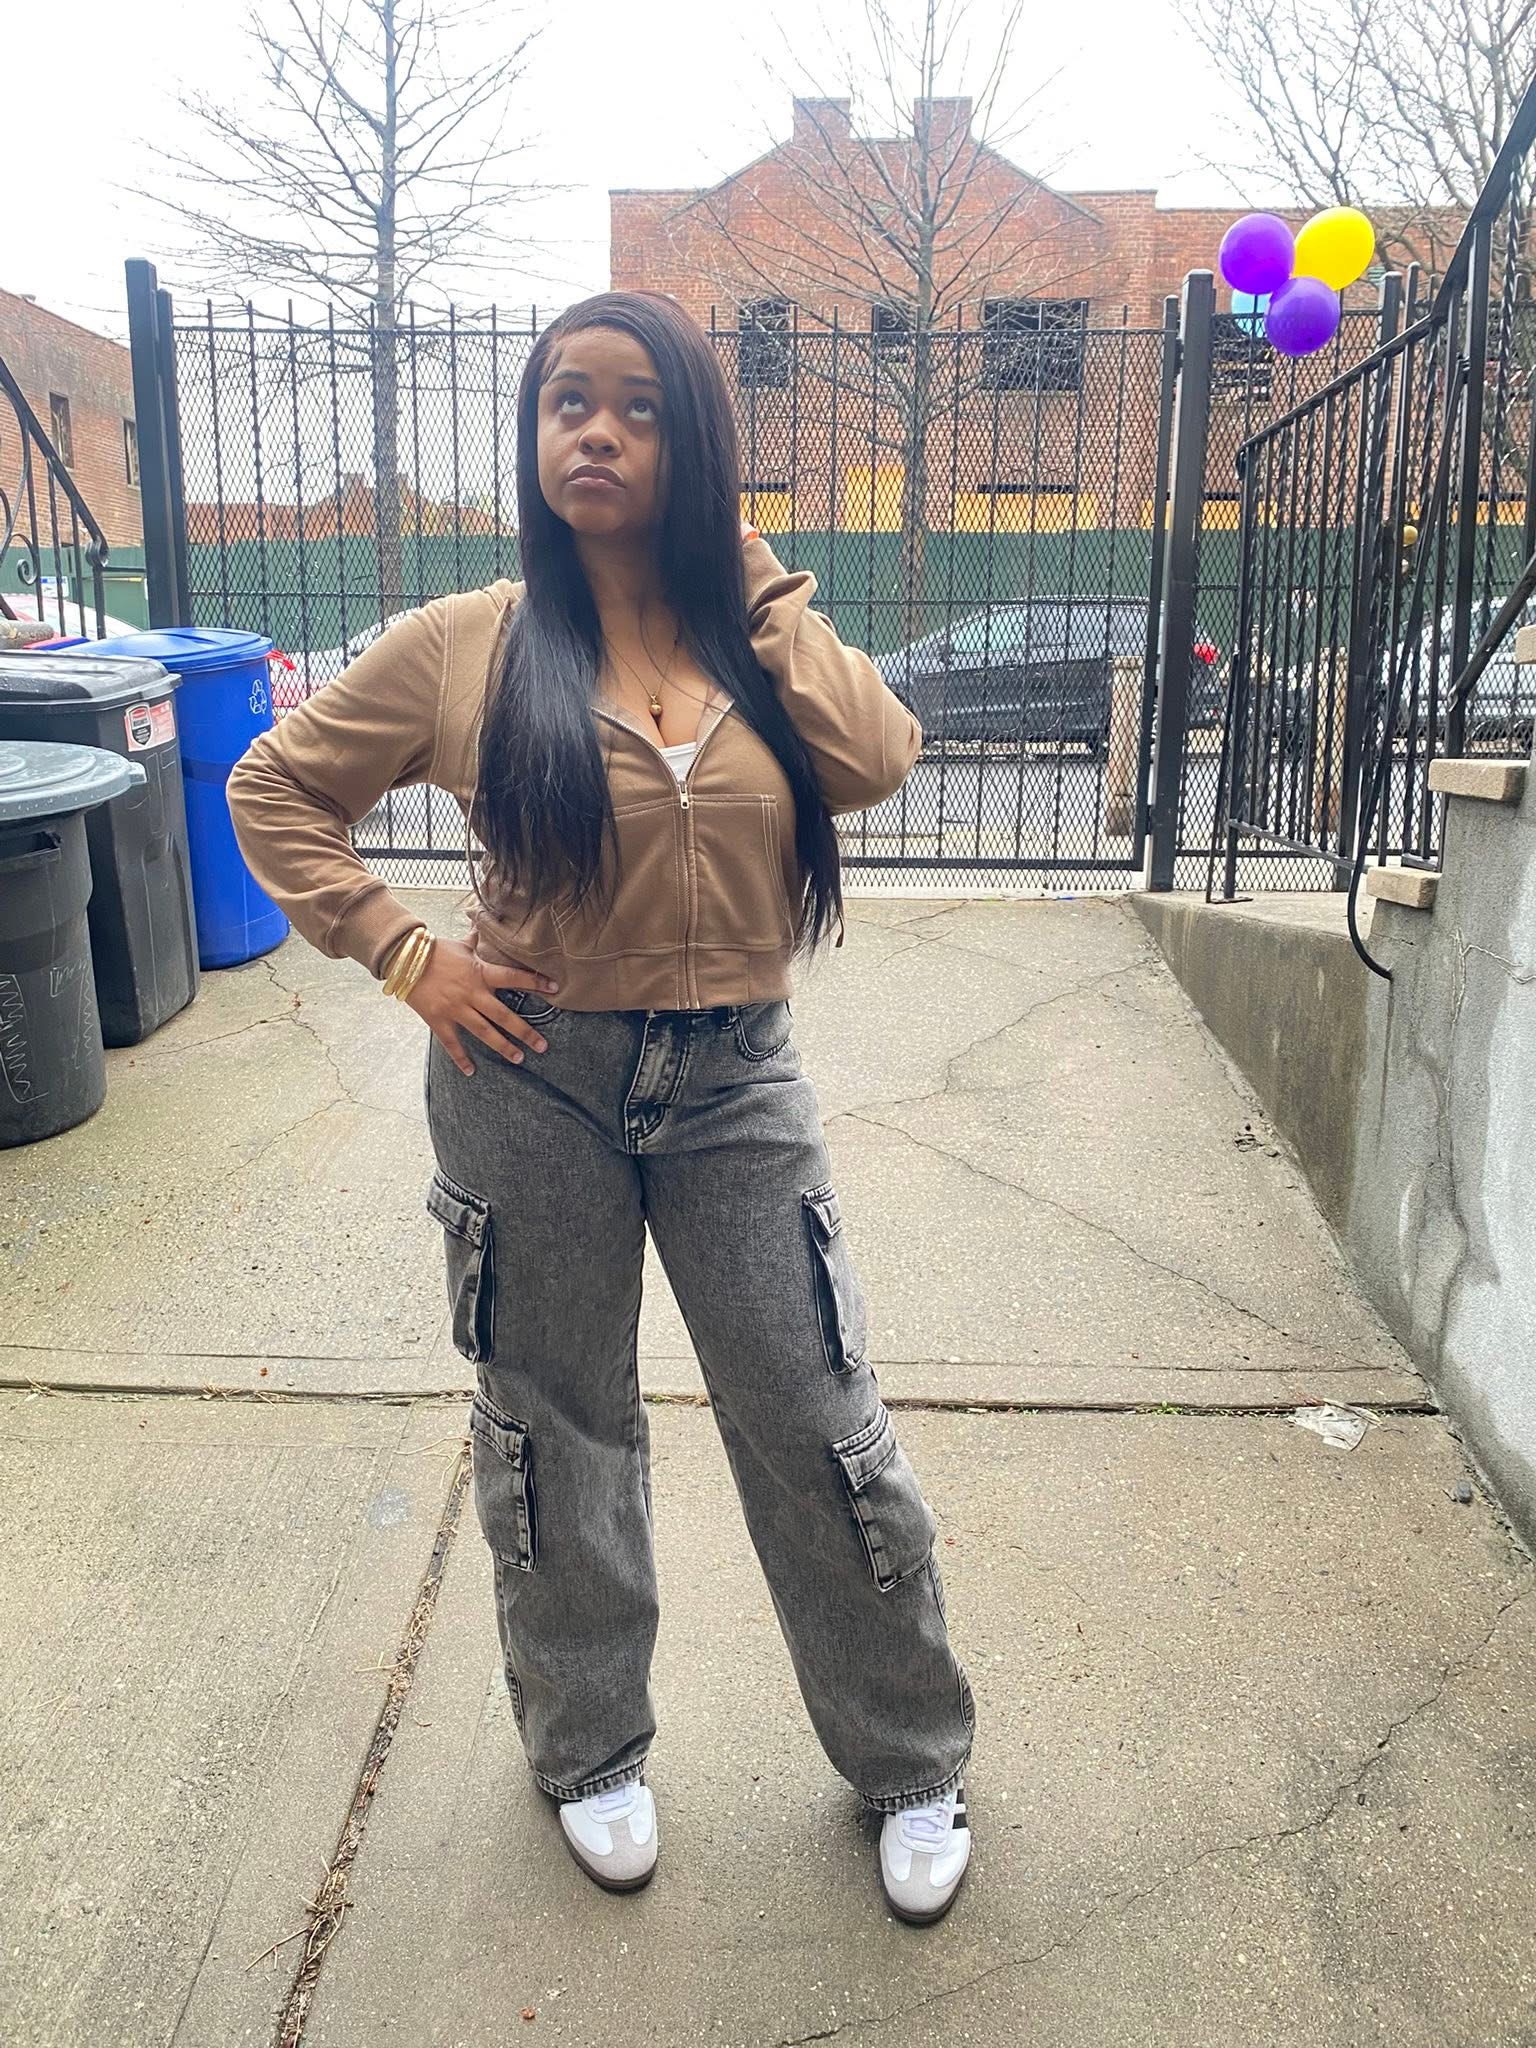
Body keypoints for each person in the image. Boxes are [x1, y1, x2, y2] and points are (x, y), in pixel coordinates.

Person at [226, 289, 975, 1923]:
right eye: (569, 400)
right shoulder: (468, 642)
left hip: (736, 1083)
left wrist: (751, 569)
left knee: (814, 1412)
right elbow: (272, 785)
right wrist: (404, 951)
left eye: (640, 407)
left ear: (693, 443)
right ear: (534, 430)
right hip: (529, 1081)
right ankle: (589, 1751)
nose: (598, 431)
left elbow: (877, 754)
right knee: (557, 1429)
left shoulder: (750, 636)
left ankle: (912, 1757)